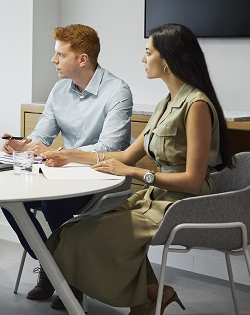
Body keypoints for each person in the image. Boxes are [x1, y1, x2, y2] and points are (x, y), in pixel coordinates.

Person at [40, 23, 235, 314]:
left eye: (148, 52)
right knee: (69, 232)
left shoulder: (196, 106)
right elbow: (126, 155)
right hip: (154, 197)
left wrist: (136, 174)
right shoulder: (165, 104)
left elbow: (193, 182)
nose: (143, 59)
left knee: (86, 236)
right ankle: (152, 293)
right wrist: (70, 156)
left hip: (181, 203)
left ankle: (144, 298)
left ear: (167, 60)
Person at [0, 24, 133, 302]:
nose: (53, 60)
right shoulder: (60, 90)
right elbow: (41, 135)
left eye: (60, 54)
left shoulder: (117, 91)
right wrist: (22, 146)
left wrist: (66, 154)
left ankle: (65, 278)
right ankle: (55, 269)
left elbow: (111, 147)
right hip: (63, 174)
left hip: (101, 178)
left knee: (53, 203)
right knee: (9, 199)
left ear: (82, 59)